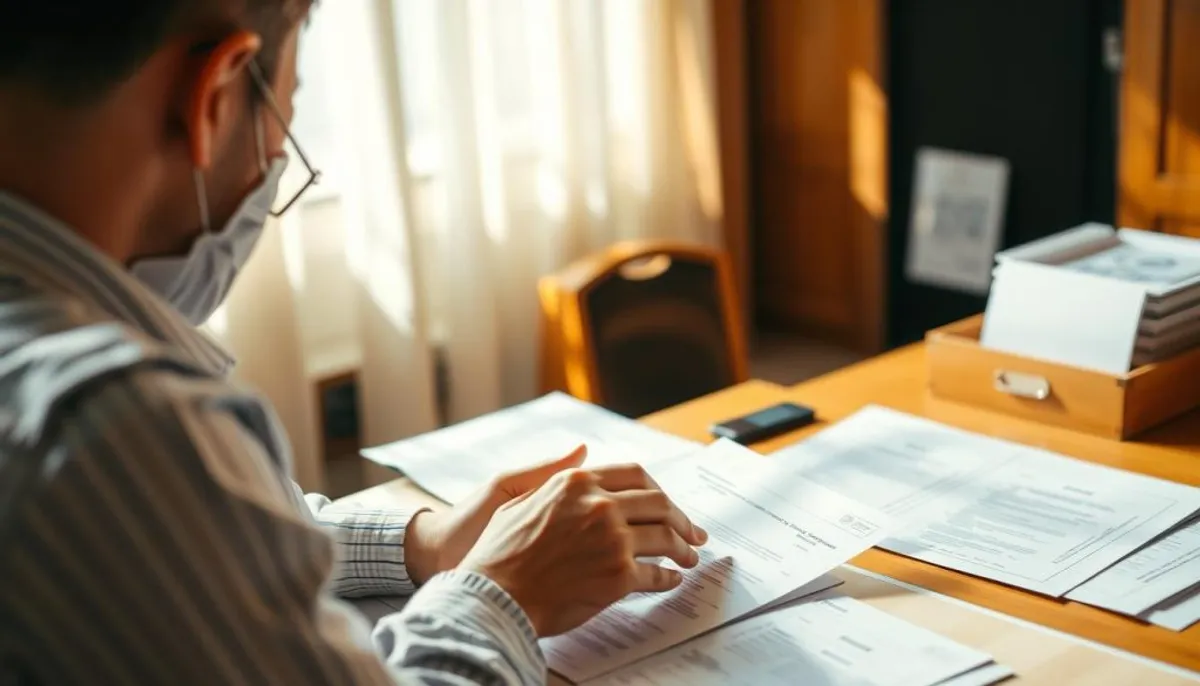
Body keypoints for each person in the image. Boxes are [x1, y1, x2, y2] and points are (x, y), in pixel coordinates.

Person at [0, 1, 708, 684]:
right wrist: (505, 592)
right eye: (284, 121)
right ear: (214, 96)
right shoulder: (106, 423)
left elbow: (201, 550)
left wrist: (423, 541)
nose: (275, 161)